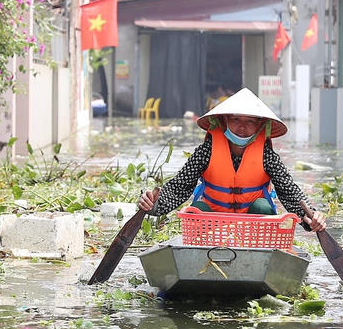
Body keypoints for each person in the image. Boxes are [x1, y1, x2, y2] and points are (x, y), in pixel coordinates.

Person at [138, 88, 327, 232]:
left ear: (259, 126)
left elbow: (289, 191)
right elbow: (180, 186)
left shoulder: (267, 155)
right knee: (197, 208)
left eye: (250, 121)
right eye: (236, 120)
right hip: (213, 221)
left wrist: (311, 216)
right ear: (224, 122)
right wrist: (154, 204)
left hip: (252, 226)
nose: (242, 127)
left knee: (262, 206)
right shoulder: (206, 151)